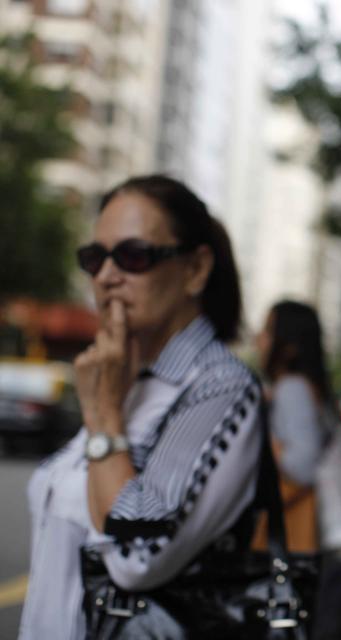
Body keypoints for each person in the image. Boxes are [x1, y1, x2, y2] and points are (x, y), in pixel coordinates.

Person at [20, 175, 263, 639]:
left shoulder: (220, 386)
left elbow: (137, 555)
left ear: (195, 270)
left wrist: (104, 414)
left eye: (133, 256)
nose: (108, 276)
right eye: (95, 259)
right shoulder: (125, 376)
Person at [254, 300, 337, 553]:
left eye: (268, 331)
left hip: (288, 537)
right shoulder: (308, 388)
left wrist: (258, 440)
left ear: (288, 346)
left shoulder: (292, 389)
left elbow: (302, 466)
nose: (259, 339)